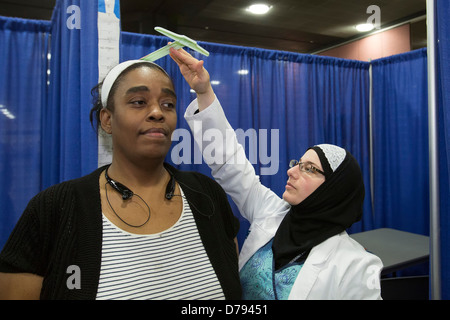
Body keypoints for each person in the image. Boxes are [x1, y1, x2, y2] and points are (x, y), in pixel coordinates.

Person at [0, 60, 241, 300]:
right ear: (107, 120)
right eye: (139, 102)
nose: (158, 112)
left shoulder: (206, 194)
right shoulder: (53, 208)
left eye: (168, 104)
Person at [170, 47, 383, 300]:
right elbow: (230, 163)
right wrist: (203, 91)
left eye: (310, 169)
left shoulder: (356, 265)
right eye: (298, 162)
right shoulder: (270, 213)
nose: (292, 171)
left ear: (333, 190)